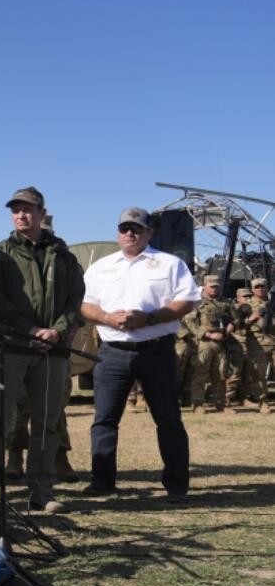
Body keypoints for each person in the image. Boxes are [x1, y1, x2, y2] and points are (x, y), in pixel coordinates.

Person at [80, 208, 200, 502]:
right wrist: (108, 318)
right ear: (117, 232)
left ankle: (176, 484)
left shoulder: (170, 264)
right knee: (104, 420)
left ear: (149, 233)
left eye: (136, 228)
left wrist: (149, 318)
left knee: (168, 419)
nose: (129, 234)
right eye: (124, 228)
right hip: (112, 353)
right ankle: (102, 482)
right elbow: (85, 305)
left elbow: (187, 301)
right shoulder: (100, 267)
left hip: (156, 350)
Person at [0, 188, 85, 513]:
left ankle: (41, 490)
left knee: (47, 422)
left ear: (42, 213)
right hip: (11, 348)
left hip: (52, 352)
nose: (21, 215)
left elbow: (75, 300)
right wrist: (30, 329)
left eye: (28, 209)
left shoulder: (63, 256)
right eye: (16, 210)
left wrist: (58, 331)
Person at [192, 275, 232, 413]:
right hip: (205, 342)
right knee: (201, 373)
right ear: (205, 286)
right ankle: (198, 404)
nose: (215, 289)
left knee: (221, 374)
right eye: (212, 286)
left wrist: (231, 326)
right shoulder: (197, 303)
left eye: (217, 286)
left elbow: (235, 318)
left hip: (221, 342)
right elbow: (190, 322)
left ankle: (221, 403)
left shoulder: (225, 302)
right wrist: (208, 334)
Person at [247, 277, 274, 413]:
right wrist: (253, 317)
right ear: (252, 289)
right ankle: (263, 402)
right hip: (258, 343)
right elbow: (239, 323)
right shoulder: (247, 305)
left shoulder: (272, 303)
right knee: (259, 374)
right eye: (257, 287)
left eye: (262, 286)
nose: (260, 289)